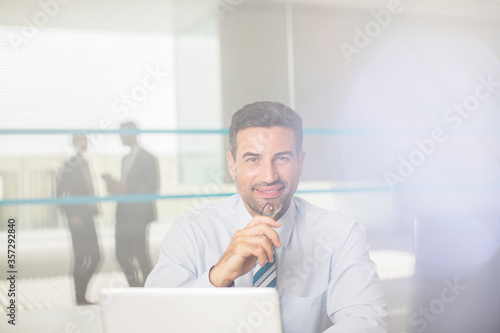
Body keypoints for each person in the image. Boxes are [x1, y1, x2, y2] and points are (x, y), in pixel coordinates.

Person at [146, 102, 388, 332]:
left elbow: (367, 323)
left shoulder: (340, 235)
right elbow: (153, 323)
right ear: (232, 165)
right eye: (253, 159)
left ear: (300, 163)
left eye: (282, 158)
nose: (269, 175)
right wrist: (217, 277)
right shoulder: (191, 232)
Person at [105, 121, 159, 287]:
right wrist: (116, 187)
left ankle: (150, 289)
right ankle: (136, 287)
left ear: (132, 134)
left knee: (139, 254)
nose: (120, 137)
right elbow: (127, 186)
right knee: (121, 254)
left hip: (139, 214)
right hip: (123, 214)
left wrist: (127, 187)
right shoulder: (125, 159)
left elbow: (153, 186)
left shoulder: (148, 157)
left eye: (122, 133)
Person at [57, 134, 101, 305]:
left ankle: (81, 294)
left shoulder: (86, 163)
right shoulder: (69, 166)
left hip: (88, 217)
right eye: (82, 140)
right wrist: (72, 215)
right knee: (81, 258)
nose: (86, 143)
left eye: (87, 140)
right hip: (78, 220)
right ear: (75, 143)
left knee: (96, 256)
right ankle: (80, 297)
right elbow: (59, 194)